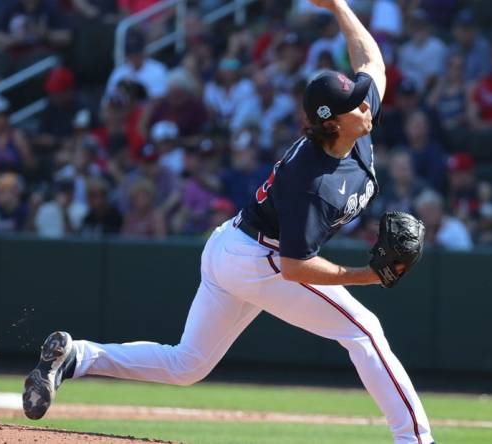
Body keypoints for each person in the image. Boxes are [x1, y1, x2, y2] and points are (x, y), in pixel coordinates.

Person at [22, 2, 435, 443]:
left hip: (233, 246)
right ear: (330, 123)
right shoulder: (312, 182)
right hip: (263, 259)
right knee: (364, 331)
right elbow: (295, 268)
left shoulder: (349, 124)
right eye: (354, 104)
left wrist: (338, 6)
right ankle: (415, 439)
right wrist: (367, 276)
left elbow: (370, 59)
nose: (366, 104)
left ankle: (77, 357)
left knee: (187, 365)